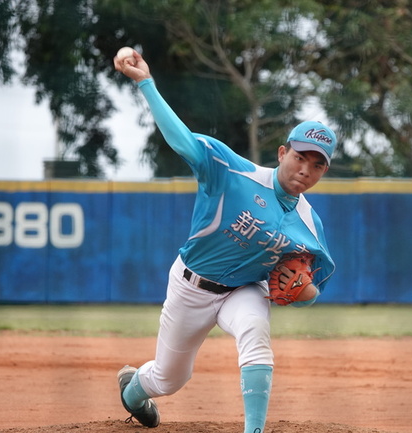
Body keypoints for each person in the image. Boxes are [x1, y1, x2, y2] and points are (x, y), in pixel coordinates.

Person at [113, 49, 336, 433]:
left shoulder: (309, 225)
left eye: (317, 165)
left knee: (255, 333)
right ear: (282, 153)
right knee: (169, 378)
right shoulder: (232, 172)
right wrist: (146, 83)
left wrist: (302, 291)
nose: (306, 169)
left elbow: (312, 290)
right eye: (300, 157)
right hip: (191, 286)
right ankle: (133, 391)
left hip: (244, 290)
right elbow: (182, 140)